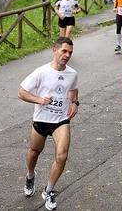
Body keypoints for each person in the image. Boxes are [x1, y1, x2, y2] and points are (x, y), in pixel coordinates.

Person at [19, 37, 79, 211]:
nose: (67, 55)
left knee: (62, 156)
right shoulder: (41, 72)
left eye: (70, 53)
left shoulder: (72, 73)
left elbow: (73, 89)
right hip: (41, 119)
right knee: (34, 152)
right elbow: (21, 93)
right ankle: (30, 176)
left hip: (61, 120)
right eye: (64, 51)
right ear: (55, 51)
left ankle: (49, 189)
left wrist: (75, 103)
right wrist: (39, 100)